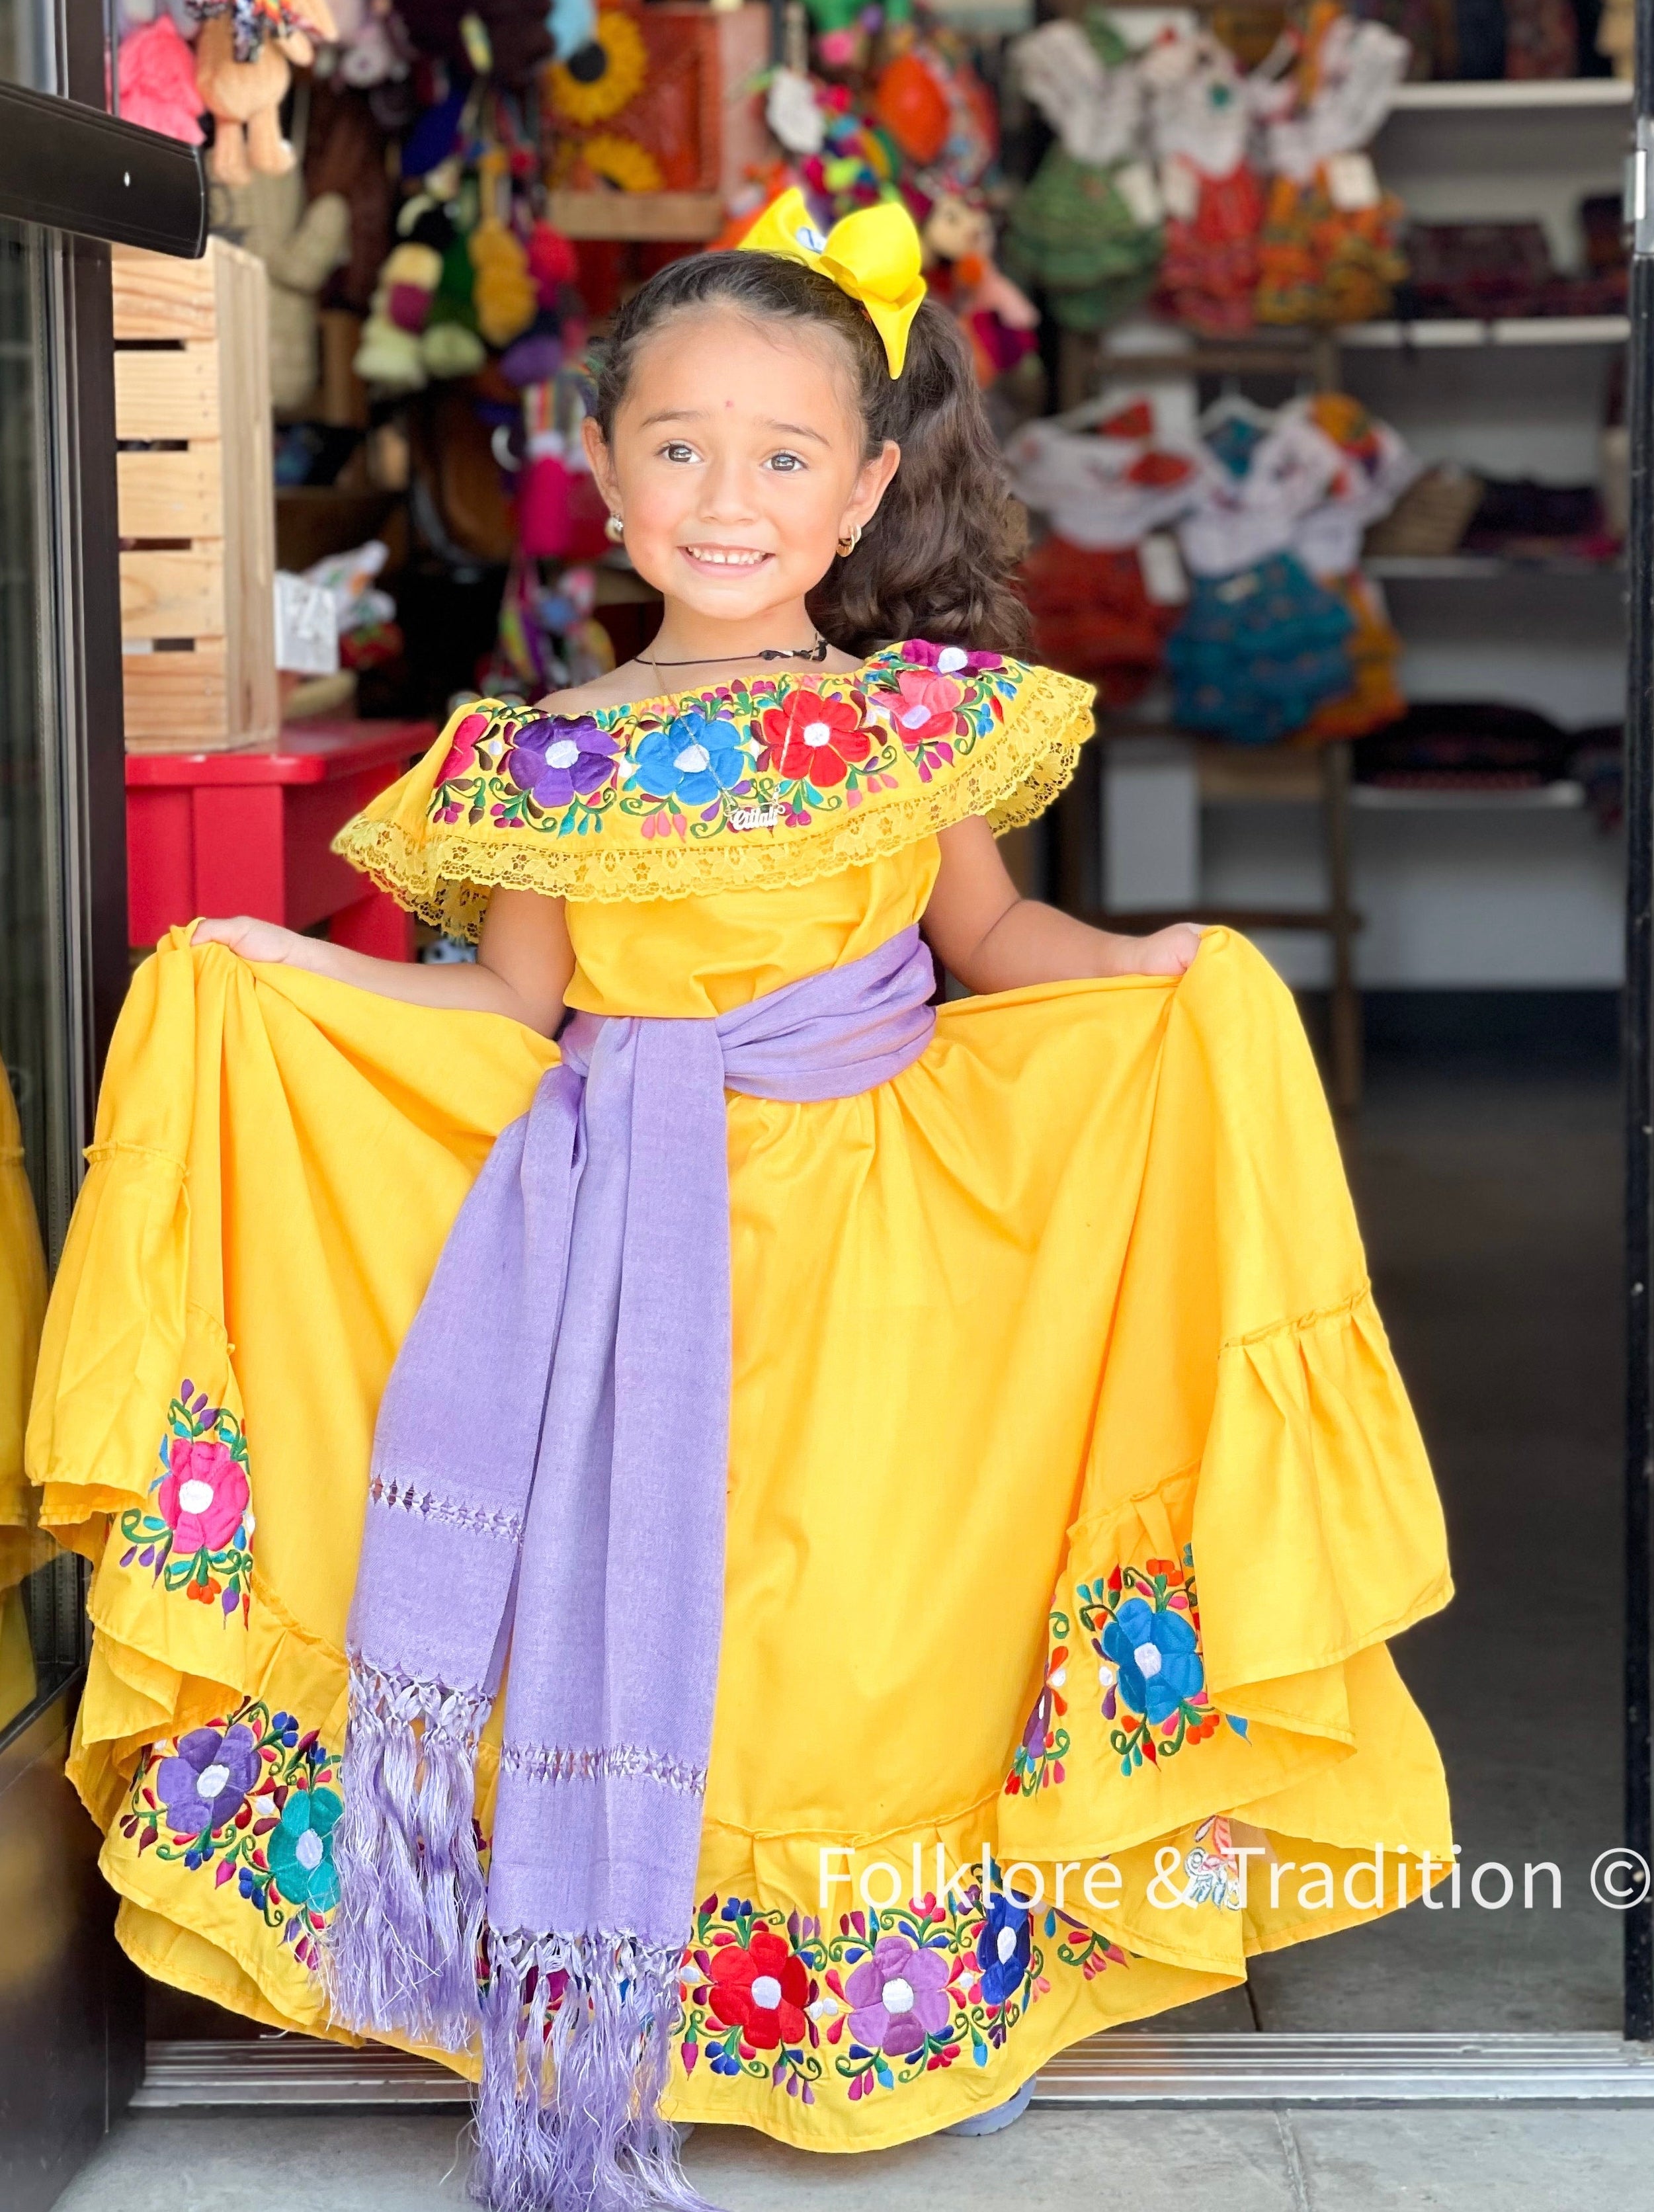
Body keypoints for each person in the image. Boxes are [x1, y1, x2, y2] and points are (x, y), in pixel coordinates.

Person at [30, 193, 1451, 2212]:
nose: (728, 494)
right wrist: (283, 976)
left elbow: (997, 928)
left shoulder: (914, 721)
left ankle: (870, 2010)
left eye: (784, 457)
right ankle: (636, 2006)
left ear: (864, 489)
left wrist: (1146, 973)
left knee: (861, 1627)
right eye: (679, 446)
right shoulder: (541, 760)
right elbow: (504, 1005)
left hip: (879, 1249)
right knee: (628, 1621)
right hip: (603, 1251)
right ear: (599, 478)